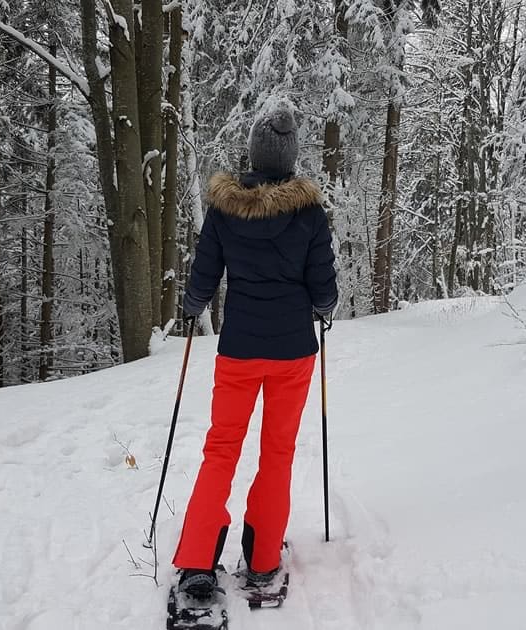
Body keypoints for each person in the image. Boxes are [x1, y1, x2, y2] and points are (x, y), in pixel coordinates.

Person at [172, 98, 338, 600]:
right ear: (289, 159)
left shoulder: (225, 211)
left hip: (240, 349)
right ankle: (264, 558)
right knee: (278, 453)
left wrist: (191, 305)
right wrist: (322, 306)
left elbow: (204, 274)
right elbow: (325, 288)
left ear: (253, 154)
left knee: (221, 449)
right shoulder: (310, 214)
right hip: (292, 353)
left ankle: (198, 560)